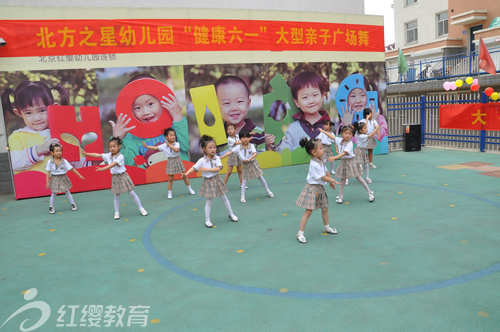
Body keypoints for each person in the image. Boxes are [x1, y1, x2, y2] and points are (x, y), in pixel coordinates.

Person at [1, 81, 86, 174]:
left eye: (42, 110)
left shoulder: (66, 136)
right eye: (28, 113)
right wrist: (39, 150)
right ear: (19, 113)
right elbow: (14, 163)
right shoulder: (17, 136)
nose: (37, 118)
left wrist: (93, 161)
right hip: (32, 187)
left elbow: (78, 164)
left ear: (54, 108)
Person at [110, 74, 190, 167]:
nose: (146, 112)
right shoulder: (130, 137)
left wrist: (177, 116)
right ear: (131, 111)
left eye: (150, 104)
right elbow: (128, 164)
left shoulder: (175, 124)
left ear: (161, 102)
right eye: (138, 108)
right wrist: (117, 139)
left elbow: (186, 145)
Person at [80, 137, 148, 220]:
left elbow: (113, 164)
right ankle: (116, 212)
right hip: (115, 177)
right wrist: (86, 153)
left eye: (114, 146)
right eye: (110, 147)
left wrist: (103, 169)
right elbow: (97, 155)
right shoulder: (108, 155)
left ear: (119, 147)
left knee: (132, 193)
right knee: (116, 195)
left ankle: (141, 208)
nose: (112, 148)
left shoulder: (121, 156)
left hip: (123, 176)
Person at [182, 135, 238, 228]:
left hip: (217, 179)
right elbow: (194, 167)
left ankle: (231, 214)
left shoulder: (217, 158)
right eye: (210, 148)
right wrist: (186, 174)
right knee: (209, 202)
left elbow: (217, 169)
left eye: (214, 147)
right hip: (208, 182)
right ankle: (207, 220)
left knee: (224, 198)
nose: (213, 149)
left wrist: (205, 169)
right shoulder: (201, 160)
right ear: (204, 149)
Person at [271, 71, 331, 153]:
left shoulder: (329, 125)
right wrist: (276, 142)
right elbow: (287, 152)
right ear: (297, 103)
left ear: (322, 96)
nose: (311, 101)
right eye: (305, 97)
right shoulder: (293, 129)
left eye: (315, 95)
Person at [296, 138, 340, 244]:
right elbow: (323, 177)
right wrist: (332, 180)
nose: (323, 150)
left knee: (325, 208)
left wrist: (330, 182)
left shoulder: (320, 160)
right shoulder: (314, 164)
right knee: (308, 211)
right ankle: (300, 233)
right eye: (321, 148)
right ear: (314, 152)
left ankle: (326, 227)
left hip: (320, 189)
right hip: (312, 189)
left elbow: (326, 171)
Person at [214, 75, 273, 151]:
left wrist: (270, 146)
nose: (234, 108)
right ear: (217, 107)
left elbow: (263, 160)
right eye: (226, 103)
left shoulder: (259, 134)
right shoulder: (216, 138)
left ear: (248, 104)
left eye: (239, 101)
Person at [319, 125, 374, 204]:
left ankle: (369, 192)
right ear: (342, 134)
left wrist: (334, 158)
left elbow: (344, 153)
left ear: (352, 135)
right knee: (343, 180)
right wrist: (323, 131)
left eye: (349, 134)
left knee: (359, 178)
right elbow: (332, 137)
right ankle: (340, 197)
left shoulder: (350, 144)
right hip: (343, 162)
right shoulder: (339, 140)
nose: (347, 135)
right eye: (346, 133)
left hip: (351, 161)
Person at [220, 130, 274, 203]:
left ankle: (268, 191)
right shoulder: (238, 147)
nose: (245, 139)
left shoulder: (251, 145)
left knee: (260, 177)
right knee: (245, 180)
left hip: (253, 163)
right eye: (243, 137)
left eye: (247, 137)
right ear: (240, 139)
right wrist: (220, 157)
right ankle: (242, 196)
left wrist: (249, 159)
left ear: (249, 138)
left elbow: (255, 154)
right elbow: (230, 152)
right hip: (245, 165)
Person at [142, 128, 196, 199]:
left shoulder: (177, 144)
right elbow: (156, 148)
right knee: (170, 179)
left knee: (184, 175)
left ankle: (190, 189)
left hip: (178, 160)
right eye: (171, 135)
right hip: (170, 161)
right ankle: (169, 193)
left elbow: (176, 150)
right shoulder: (164, 145)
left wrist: (169, 145)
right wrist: (147, 146)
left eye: (174, 135)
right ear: (166, 137)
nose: (173, 137)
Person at [45, 143, 86, 214]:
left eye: (60, 151)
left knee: (67, 191)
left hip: (63, 177)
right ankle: (51, 207)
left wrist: (79, 175)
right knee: (54, 193)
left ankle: (73, 204)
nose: (59, 153)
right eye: (57, 151)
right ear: (52, 153)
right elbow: (48, 172)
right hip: (54, 178)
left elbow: (72, 168)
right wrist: (47, 182)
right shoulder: (50, 162)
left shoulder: (64, 161)